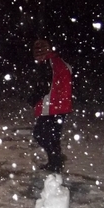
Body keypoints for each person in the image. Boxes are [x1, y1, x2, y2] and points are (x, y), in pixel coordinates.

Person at [30, 39, 73, 173]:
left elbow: (43, 86)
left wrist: (33, 99)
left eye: (38, 54)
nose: (37, 58)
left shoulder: (48, 64)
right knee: (53, 137)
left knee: (40, 134)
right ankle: (55, 162)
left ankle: (56, 161)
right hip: (61, 106)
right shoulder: (60, 62)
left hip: (51, 106)